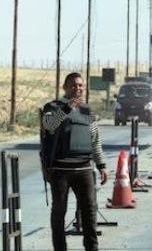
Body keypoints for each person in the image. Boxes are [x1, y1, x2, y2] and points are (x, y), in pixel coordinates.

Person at [41, 72, 109, 251]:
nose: (77, 88)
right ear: (65, 87)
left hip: (84, 169)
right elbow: (48, 125)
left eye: (80, 85)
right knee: (59, 212)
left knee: (90, 212)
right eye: (73, 85)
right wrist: (67, 108)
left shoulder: (87, 110)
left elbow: (95, 140)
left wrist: (101, 165)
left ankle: (92, 248)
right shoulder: (53, 106)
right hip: (60, 170)